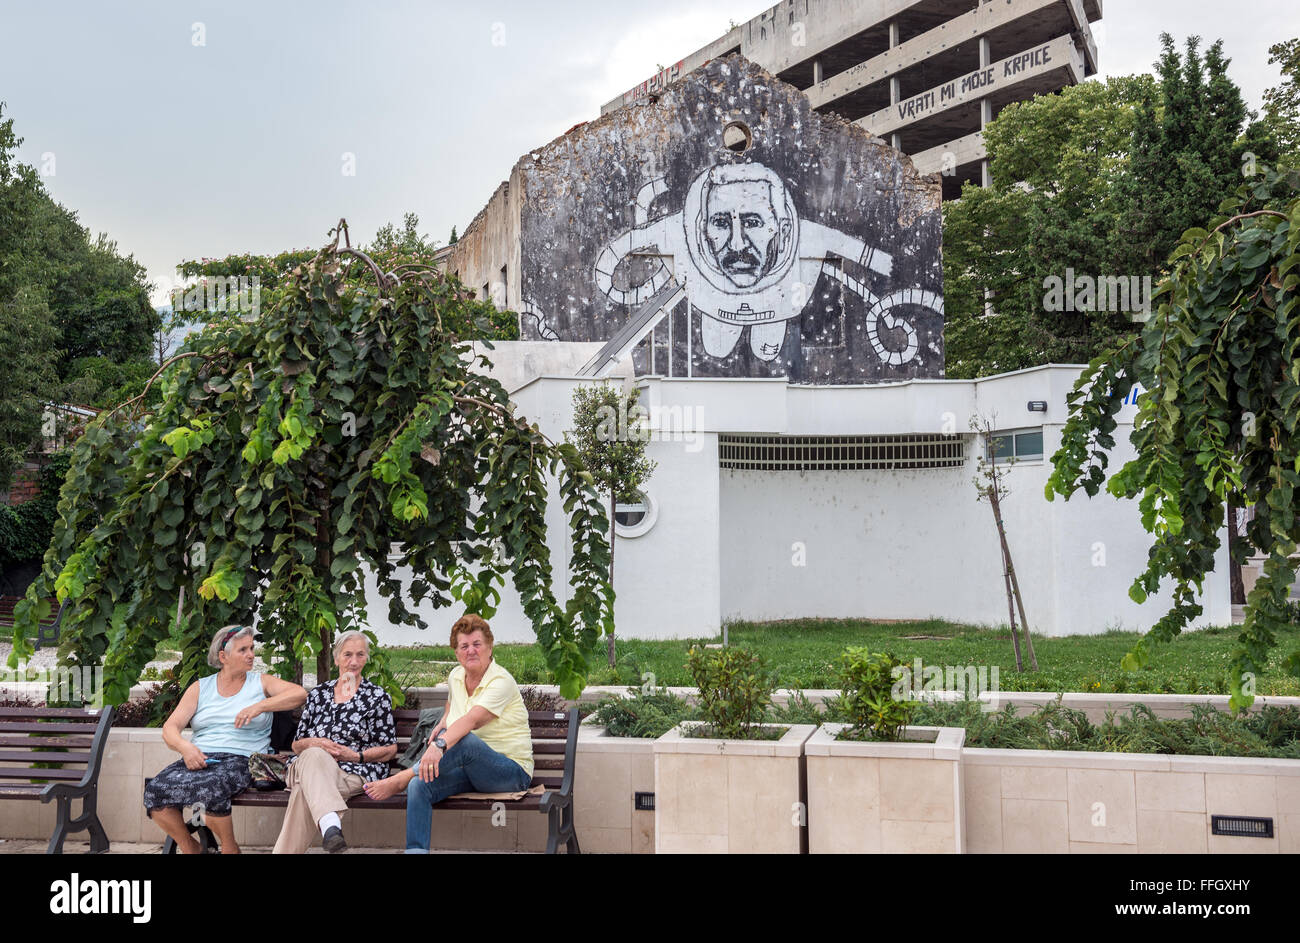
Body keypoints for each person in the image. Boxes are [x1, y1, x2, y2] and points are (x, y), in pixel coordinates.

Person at [363, 614, 533, 853]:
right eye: (464, 646)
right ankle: (415, 851)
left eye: (477, 644)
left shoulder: (501, 681)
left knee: (465, 742)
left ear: (490, 647)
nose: (471, 651)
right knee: (419, 787)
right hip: (470, 771)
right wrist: (444, 720)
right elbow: (452, 705)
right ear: (456, 653)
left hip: (511, 772)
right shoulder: (456, 676)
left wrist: (438, 745)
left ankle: (403, 778)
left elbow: (473, 720)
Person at [144, 625, 307, 854]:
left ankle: (230, 849)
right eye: (243, 650)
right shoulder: (201, 688)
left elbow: (300, 694)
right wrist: (185, 748)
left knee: (211, 788)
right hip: (201, 757)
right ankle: (191, 848)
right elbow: (170, 727)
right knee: (155, 790)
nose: (251, 654)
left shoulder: (261, 682)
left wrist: (260, 706)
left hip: (243, 759)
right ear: (223, 656)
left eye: (251, 648)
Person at [271, 629, 397, 854]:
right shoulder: (319, 694)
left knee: (304, 789)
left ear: (366, 658)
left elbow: (390, 749)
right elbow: (297, 745)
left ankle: (330, 826)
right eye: (347, 654)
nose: (354, 661)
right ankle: (330, 826)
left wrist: (356, 755)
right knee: (314, 753)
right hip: (309, 765)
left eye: (360, 655)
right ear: (337, 657)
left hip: (351, 771)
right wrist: (316, 743)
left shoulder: (377, 697)